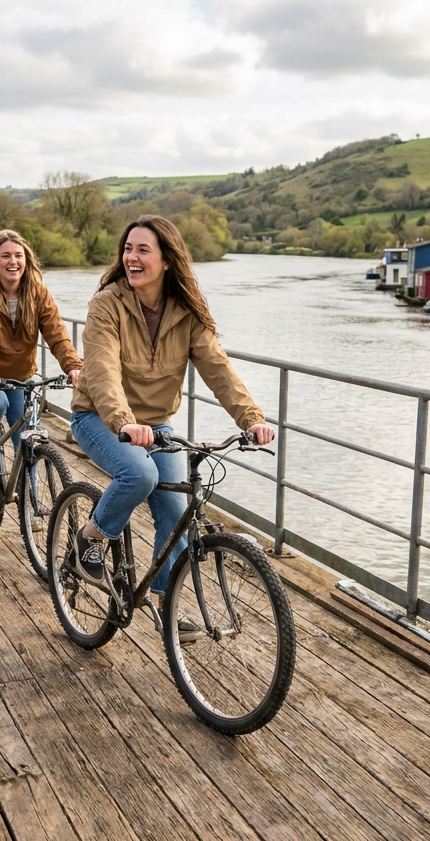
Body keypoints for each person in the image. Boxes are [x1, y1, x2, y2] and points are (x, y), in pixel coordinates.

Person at [68, 215, 274, 607]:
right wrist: (125, 422)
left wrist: (252, 418)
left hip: (157, 423)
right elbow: (103, 371)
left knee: (175, 511)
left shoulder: (186, 312)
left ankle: (167, 603)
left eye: (143, 249)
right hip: (99, 417)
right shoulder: (106, 305)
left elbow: (218, 369)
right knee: (139, 473)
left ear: (166, 261)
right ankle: (92, 536)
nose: (132, 256)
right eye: (128, 249)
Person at [0, 229, 82, 480]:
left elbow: (56, 334)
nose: (12, 262)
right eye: (5, 256)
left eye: (18, 255)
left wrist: (73, 366)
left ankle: (29, 505)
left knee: (27, 444)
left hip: (19, 377)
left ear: (26, 260)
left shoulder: (37, 292)